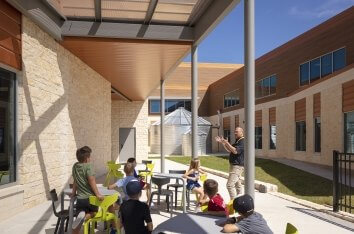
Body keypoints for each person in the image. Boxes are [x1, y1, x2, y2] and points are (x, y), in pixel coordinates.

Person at [71, 146, 105, 234]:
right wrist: (97, 194)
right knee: (96, 212)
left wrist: (73, 192)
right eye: (90, 157)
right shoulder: (88, 166)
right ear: (86, 158)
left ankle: (77, 226)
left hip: (80, 199)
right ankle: (86, 217)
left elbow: (75, 180)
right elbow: (92, 180)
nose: (90, 158)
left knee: (79, 218)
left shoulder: (75, 166)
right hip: (90, 198)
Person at [215, 127, 245, 200]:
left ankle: (234, 203)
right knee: (238, 185)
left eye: (237, 131)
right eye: (235, 131)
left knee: (229, 185)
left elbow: (235, 151)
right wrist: (223, 143)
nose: (235, 133)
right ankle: (240, 200)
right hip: (234, 165)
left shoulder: (243, 141)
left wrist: (226, 142)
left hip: (237, 166)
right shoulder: (238, 140)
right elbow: (230, 150)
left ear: (242, 132)